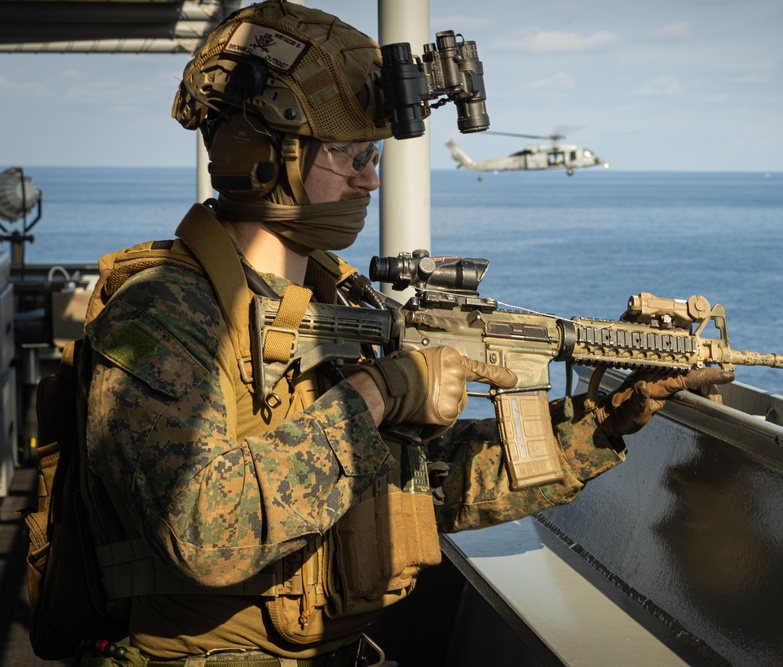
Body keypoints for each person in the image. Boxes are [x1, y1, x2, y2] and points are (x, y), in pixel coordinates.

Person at [78, 2, 734, 666]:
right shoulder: (160, 315)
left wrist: (606, 421)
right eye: (348, 154)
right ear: (260, 157)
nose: (371, 176)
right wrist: (375, 395)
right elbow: (202, 532)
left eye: (373, 153)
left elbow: (432, 484)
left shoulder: (337, 299)